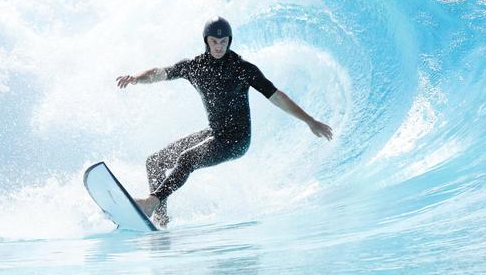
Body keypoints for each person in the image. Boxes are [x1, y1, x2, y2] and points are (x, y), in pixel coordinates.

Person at [116, 17, 333, 227]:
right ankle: (160, 221)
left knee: (187, 158)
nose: (219, 47)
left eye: (223, 42)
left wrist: (309, 121)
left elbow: (276, 96)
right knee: (155, 162)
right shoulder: (193, 67)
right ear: (206, 41)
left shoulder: (242, 69)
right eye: (214, 42)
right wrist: (136, 79)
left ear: (229, 41)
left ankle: (151, 202)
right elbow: (160, 73)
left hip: (236, 140)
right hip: (214, 132)